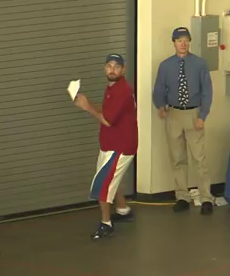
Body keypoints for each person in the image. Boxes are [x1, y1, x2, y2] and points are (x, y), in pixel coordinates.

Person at [75, 53, 138, 239]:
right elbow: (108, 112)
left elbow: (108, 120)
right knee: (110, 178)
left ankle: (106, 223)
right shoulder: (112, 87)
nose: (112, 69)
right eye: (109, 65)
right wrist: (89, 106)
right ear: (105, 68)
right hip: (110, 143)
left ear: (123, 70)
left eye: (116, 66)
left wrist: (87, 107)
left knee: (103, 183)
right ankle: (123, 210)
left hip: (120, 146)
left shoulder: (122, 90)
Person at [153, 27, 213, 215]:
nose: (183, 43)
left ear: (190, 42)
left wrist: (202, 116)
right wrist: (160, 106)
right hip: (174, 115)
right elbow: (159, 89)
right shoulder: (165, 66)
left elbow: (207, 92)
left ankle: (206, 198)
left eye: (186, 40)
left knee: (199, 158)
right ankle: (182, 197)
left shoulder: (200, 64)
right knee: (177, 159)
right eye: (179, 40)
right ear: (174, 43)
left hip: (194, 113)